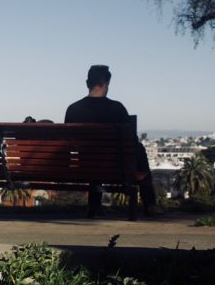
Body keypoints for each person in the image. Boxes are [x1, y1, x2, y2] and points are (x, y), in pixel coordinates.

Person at [65, 64, 164, 216]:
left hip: (84, 165)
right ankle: (150, 204)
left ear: (87, 83)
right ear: (106, 84)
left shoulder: (73, 109)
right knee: (138, 148)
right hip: (114, 165)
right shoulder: (117, 109)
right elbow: (131, 142)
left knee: (93, 158)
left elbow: (68, 142)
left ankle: (95, 206)